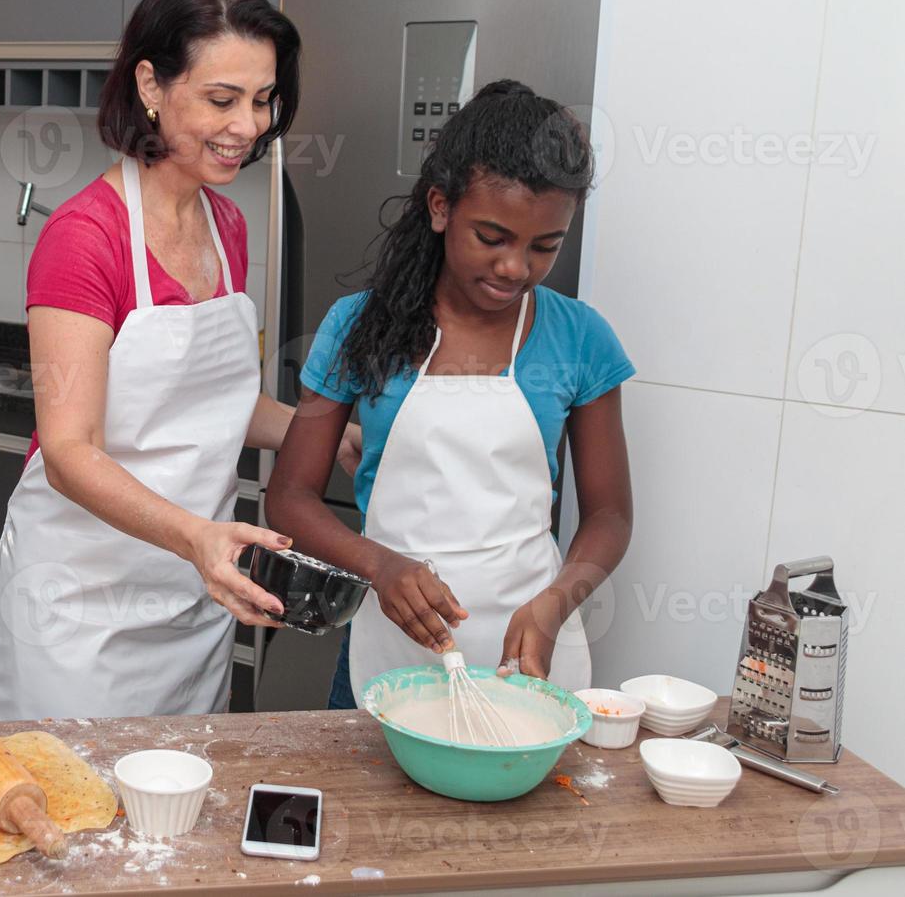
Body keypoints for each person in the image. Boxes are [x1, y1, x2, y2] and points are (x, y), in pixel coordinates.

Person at [0, 0, 356, 721]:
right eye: (221, 100)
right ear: (150, 84)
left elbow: (210, 398)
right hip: (82, 608)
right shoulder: (82, 239)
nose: (247, 126)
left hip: (192, 596)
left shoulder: (227, 227)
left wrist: (326, 433)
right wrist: (195, 537)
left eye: (261, 100)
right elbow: (68, 448)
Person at [265, 80, 634, 704]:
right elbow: (289, 498)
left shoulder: (581, 338)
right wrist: (380, 567)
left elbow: (609, 515)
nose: (516, 267)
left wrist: (558, 601)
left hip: (533, 655)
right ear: (440, 208)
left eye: (545, 246)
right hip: (390, 649)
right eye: (492, 238)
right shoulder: (360, 326)